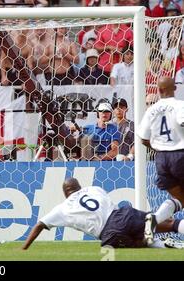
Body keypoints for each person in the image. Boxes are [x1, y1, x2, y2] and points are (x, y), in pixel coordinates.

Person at [22, 178, 184, 250]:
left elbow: (39, 225)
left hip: (110, 232)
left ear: (65, 193)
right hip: (123, 214)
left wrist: (24, 248)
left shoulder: (62, 208)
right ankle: (168, 214)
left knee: (140, 243)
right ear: (80, 187)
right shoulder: (93, 189)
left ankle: (159, 239)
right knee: (163, 225)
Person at [138, 76, 184, 245]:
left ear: (159, 90)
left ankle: (154, 219)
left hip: (161, 159)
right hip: (180, 155)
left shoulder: (151, 110)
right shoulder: (180, 105)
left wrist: (159, 148)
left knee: (180, 199)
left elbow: (143, 138)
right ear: (175, 88)